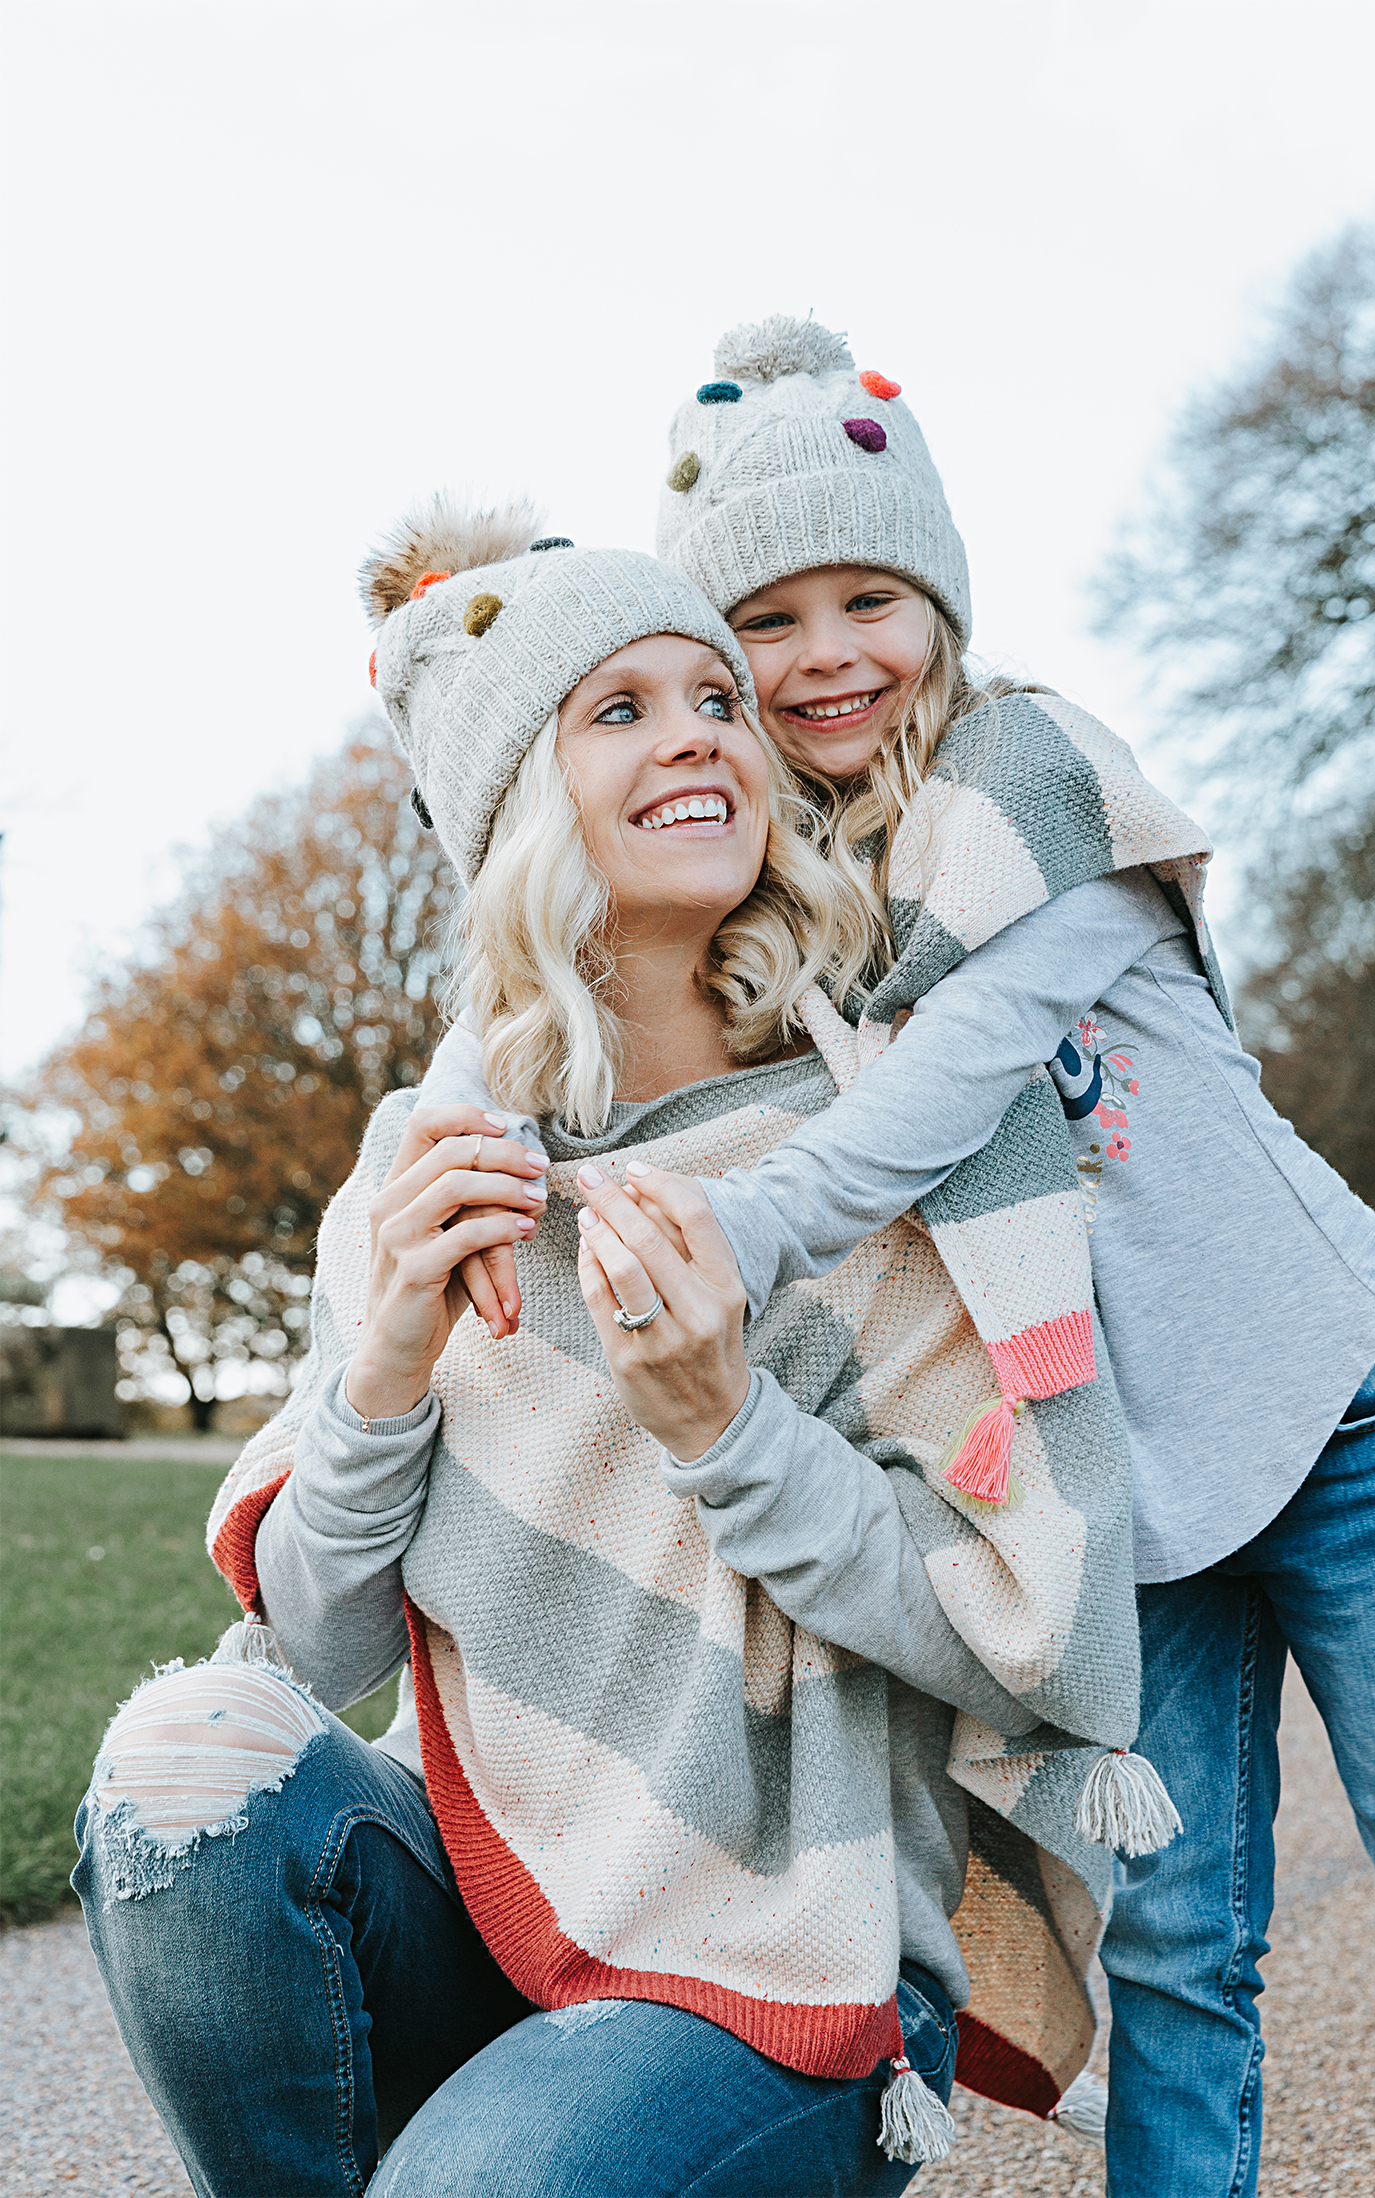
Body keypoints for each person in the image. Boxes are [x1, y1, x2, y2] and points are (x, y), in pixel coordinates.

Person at [435, 316, 1375, 2198]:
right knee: (1179, 1952)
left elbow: (941, 1097)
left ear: (940, 600)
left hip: (1333, 1401)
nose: (828, 653)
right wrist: (495, 1142)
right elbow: (586, 974)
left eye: (871, 596)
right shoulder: (801, 889)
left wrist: (731, 1232)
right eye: (766, 621)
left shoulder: (1027, 780)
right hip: (1124, 1484)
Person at [73, 509, 1155, 2198]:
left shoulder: (901, 1137)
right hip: (494, 1897)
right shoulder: (427, 1166)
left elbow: (1039, 1634)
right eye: (622, 708)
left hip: (786, 1947)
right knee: (184, 1769)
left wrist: (733, 1431)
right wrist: (386, 1374)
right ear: (519, 804)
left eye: (715, 695)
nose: (703, 732)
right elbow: (316, 1638)